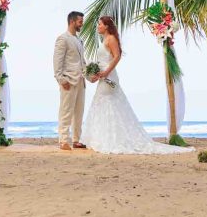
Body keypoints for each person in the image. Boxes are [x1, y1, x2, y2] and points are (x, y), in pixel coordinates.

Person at [81, 16, 194, 154]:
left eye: (99, 24)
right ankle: (103, 137)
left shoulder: (111, 39)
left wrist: (106, 72)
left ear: (106, 26)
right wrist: (95, 73)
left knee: (108, 103)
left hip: (109, 76)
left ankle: (111, 139)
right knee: (101, 103)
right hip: (103, 75)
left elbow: (117, 56)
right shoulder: (104, 40)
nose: (97, 26)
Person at [52, 11, 86, 150]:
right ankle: (63, 140)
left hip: (80, 80)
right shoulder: (62, 38)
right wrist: (61, 79)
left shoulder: (79, 40)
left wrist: (89, 76)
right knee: (66, 111)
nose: (82, 24)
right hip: (68, 81)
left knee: (79, 112)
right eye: (80, 22)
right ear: (72, 22)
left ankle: (76, 140)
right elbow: (57, 61)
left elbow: (82, 61)